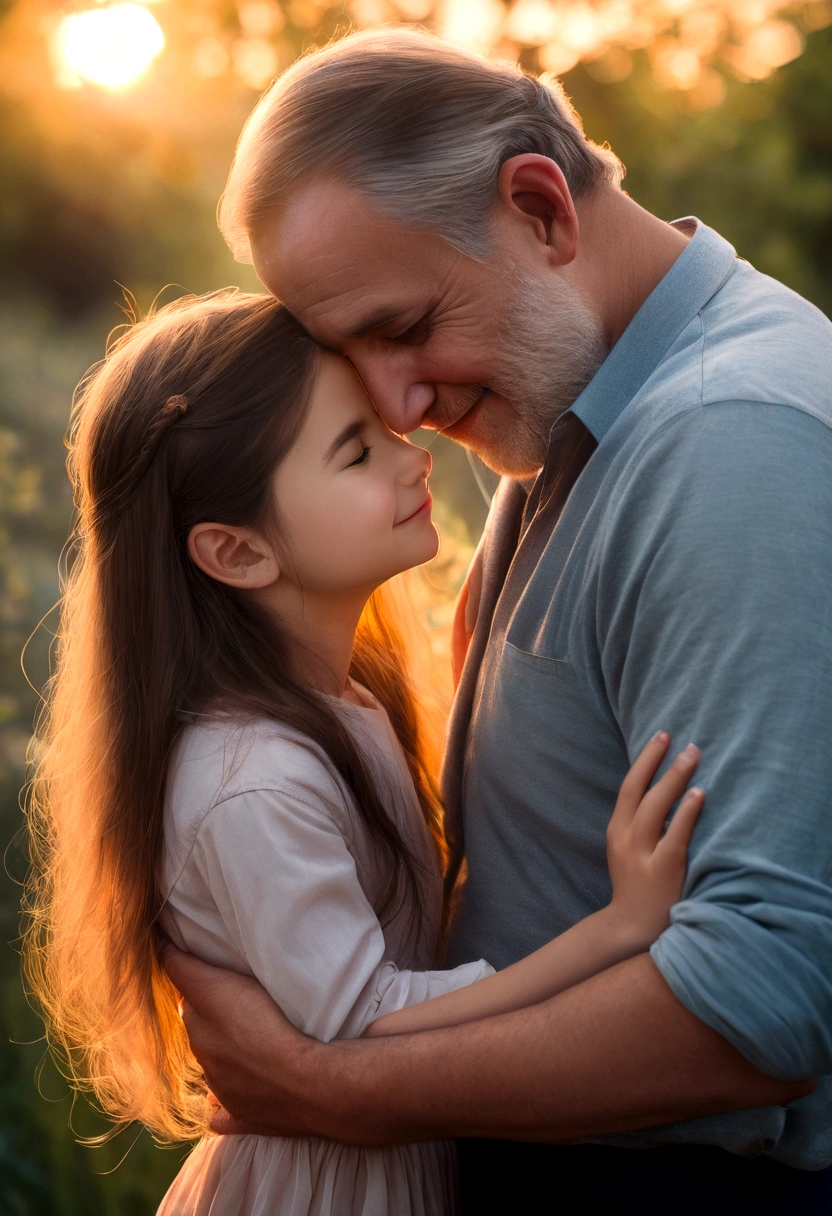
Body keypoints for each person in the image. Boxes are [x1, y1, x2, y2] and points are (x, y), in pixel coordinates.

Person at [163, 27, 832, 1215]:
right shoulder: (580, 397)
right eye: (353, 353)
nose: (397, 404)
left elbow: (763, 996)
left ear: (539, 209)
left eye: (404, 324)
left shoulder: (731, 443)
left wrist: (337, 1090)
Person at [23, 289, 706, 1216]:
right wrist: (617, 931)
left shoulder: (337, 704)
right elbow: (364, 1022)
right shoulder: (247, 780)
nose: (411, 450)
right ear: (236, 550)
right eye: (357, 449)